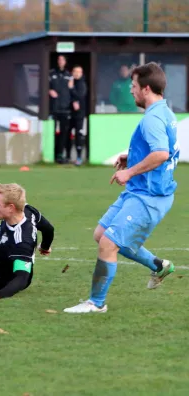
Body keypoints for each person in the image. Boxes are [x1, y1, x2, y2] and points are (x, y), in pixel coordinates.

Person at [64, 62, 178, 314]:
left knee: (108, 244)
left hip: (149, 197)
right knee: (100, 234)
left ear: (146, 88)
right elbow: (164, 151)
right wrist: (133, 157)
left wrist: (129, 171)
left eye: (134, 86)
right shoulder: (165, 112)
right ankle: (158, 265)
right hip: (139, 191)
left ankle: (96, 303)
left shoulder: (153, 119)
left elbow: (161, 153)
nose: (130, 90)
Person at [49, 55, 73, 164]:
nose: (60, 62)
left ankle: (61, 155)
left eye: (62, 60)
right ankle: (53, 154)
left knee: (64, 133)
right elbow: (44, 86)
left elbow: (73, 91)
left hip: (65, 108)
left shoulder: (69, 75)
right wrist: (49, 90)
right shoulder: (51, 73)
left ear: (65, 62)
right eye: (59, 60)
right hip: (53, 109)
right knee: (53, 132)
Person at [69, 65, 87, 166]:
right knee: (66, 133)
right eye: (75, 71)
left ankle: (79, 157)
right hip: (68, 112)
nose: (76, 73)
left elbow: (80, 95)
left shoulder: (82, 84)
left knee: (78, 134)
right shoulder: (69, 82)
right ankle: (66, 157)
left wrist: (71, 88)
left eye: (78, 72)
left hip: (79, 114)